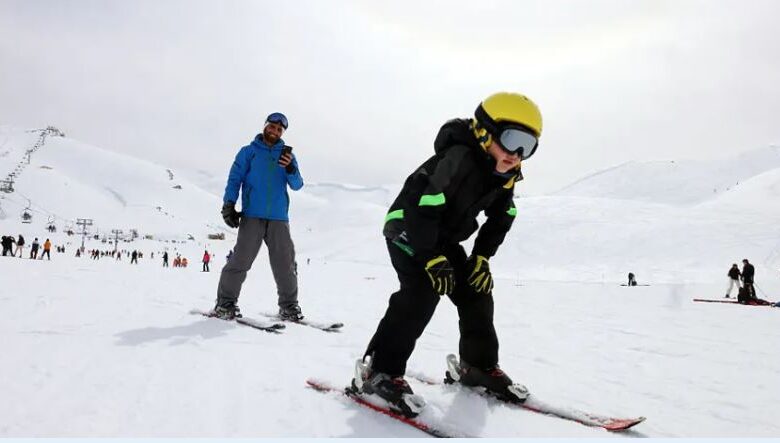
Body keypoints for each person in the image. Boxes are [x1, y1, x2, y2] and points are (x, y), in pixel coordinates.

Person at [353, 92, 542, 415]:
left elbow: (502, 217)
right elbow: (421, 205)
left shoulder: (505, 176)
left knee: (475, 290)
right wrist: (429, 256)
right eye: (512, 140)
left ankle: (477, 367)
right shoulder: (457, 159)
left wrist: (481, 257)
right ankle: (379, 372)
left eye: (529, 145)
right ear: (484, 132)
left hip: (441, 238)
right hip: (407, 227)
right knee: (422, 291)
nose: (517, 154)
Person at [213, 112, 304, 321]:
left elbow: (297, 185)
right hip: (252, 215)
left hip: (279, 218)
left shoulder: (288, 156)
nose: (275, 131)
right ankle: (225, 303)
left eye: (279, 129)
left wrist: (290, 168)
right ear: (265, 126)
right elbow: (235, 179)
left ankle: (289, 307)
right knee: (241, 260)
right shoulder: (248, 152)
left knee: (286, 264)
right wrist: (229, 204)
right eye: (272, 127)